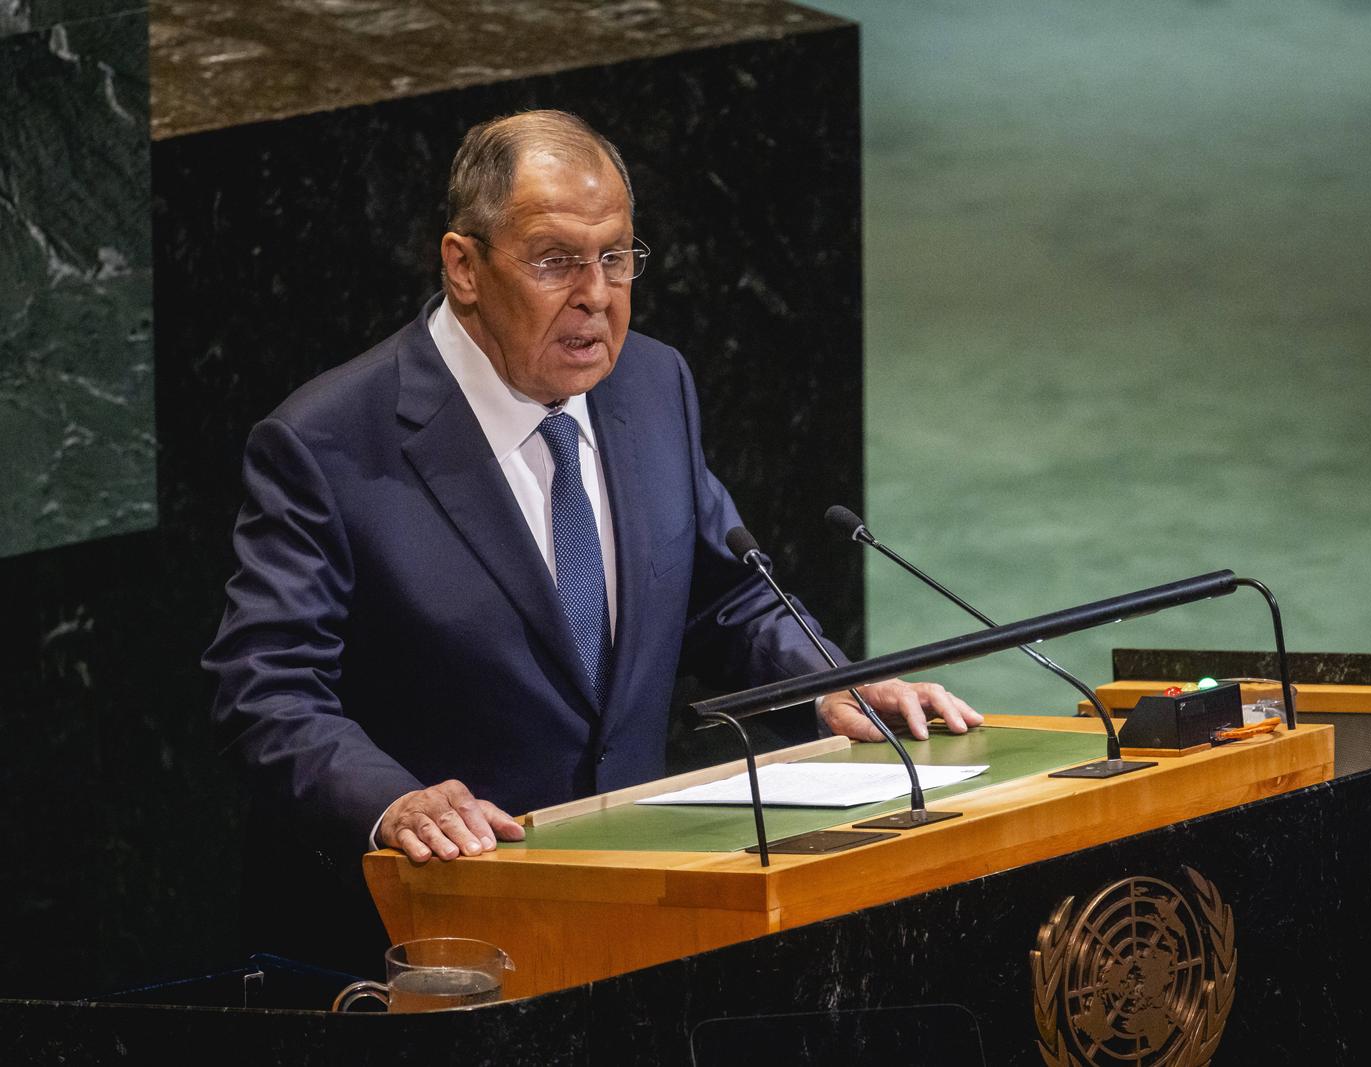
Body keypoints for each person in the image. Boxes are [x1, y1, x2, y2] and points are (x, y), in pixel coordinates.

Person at [202, 110, 981, 972]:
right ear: (463, 265)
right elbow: (264, 688)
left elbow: (725, 594)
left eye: (616, 257)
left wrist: (830, 683)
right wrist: (394, 803)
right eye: (555, 261)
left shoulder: (652, 384)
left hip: (635, 910)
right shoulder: (329, 442)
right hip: (423, 940)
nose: (596, 295)